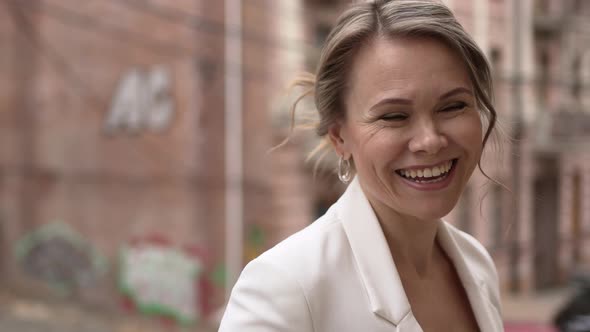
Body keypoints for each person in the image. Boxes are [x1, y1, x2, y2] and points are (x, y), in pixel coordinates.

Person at [219, 0, 502, 331]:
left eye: (453, 106)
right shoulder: (286, 286)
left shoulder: (476, 264)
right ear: (340, 137)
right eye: (394, 116)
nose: (430, 140)